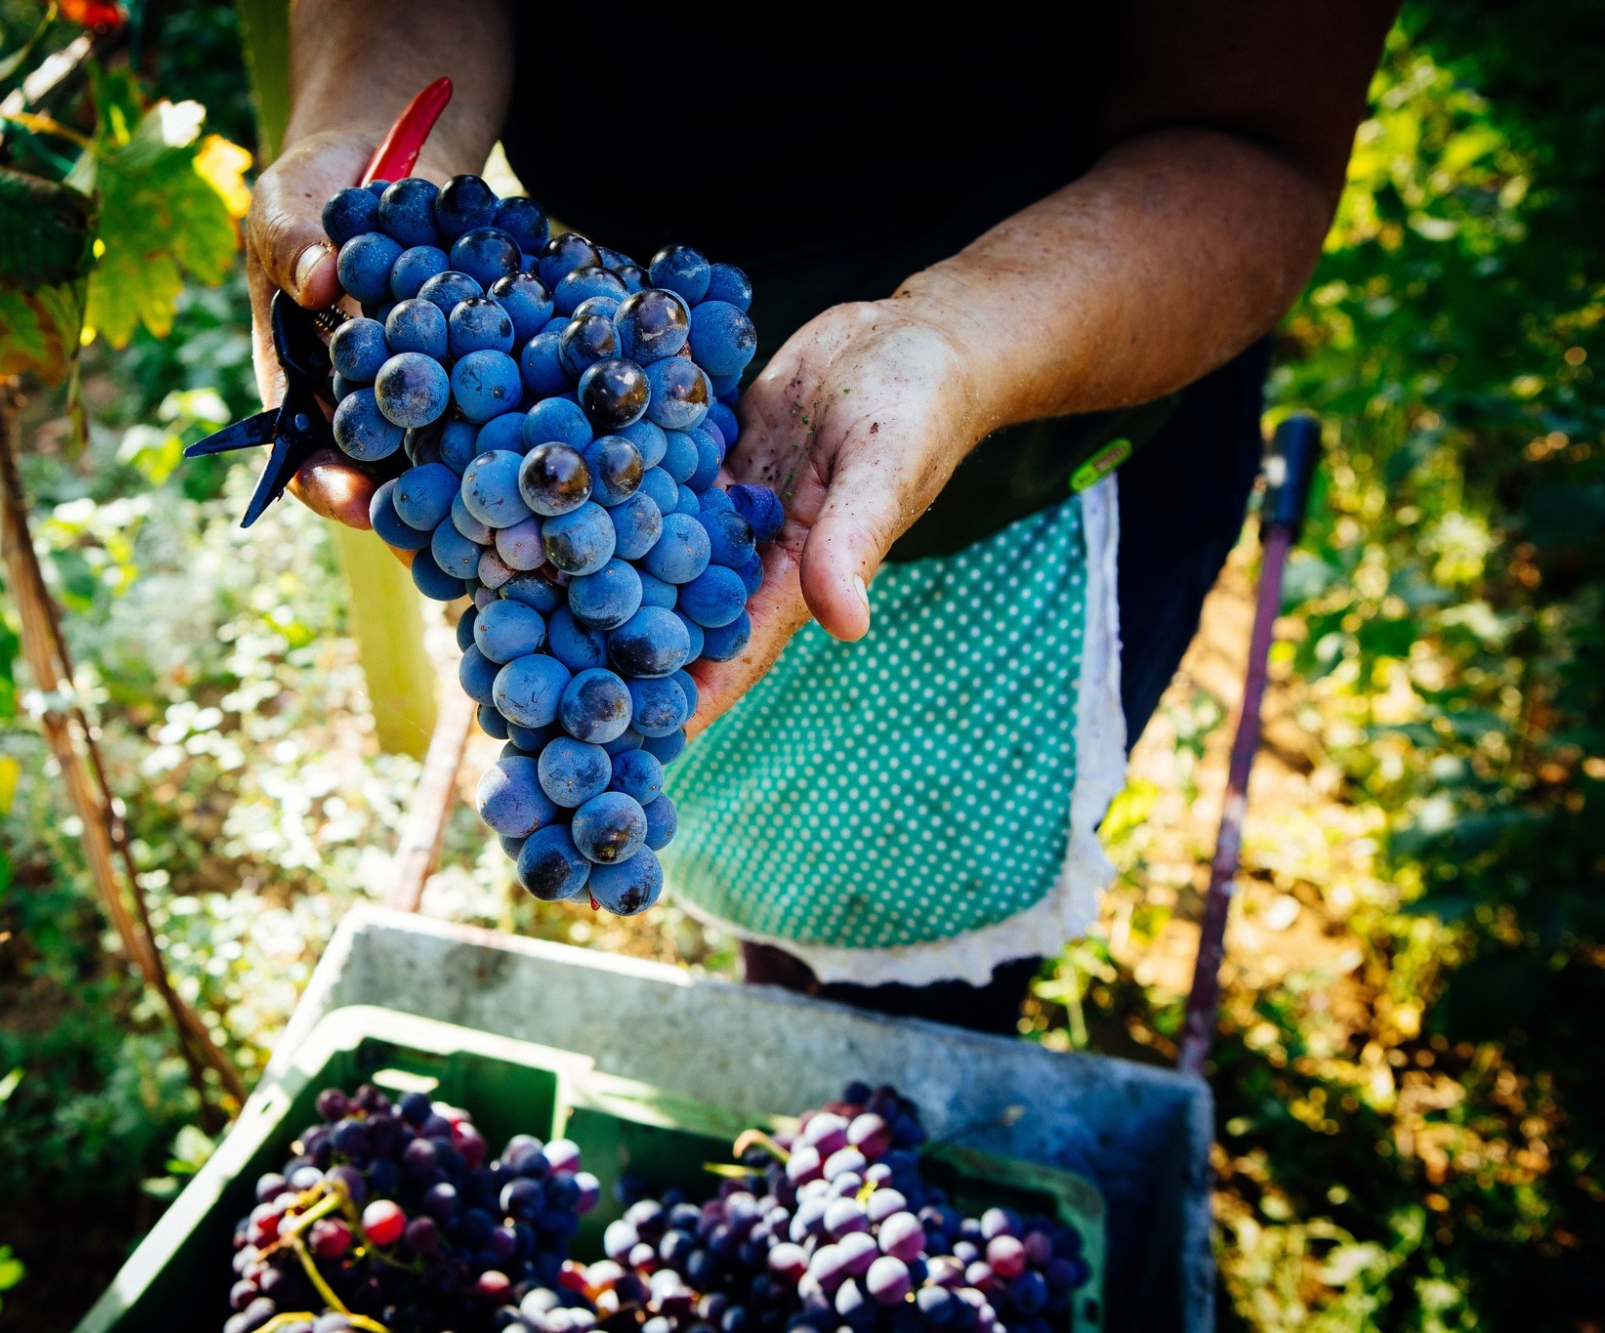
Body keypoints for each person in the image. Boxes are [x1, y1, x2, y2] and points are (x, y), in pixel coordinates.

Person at [244, 2, 1399, 1032]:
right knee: (738, 889)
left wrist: (953, 341)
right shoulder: (573, 443)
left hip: (1030, 432)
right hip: (642, 434)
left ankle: (885, 1114)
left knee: (916, 1003)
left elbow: (1247, 145)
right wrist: (364, 161)